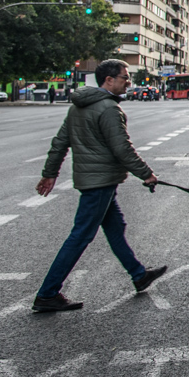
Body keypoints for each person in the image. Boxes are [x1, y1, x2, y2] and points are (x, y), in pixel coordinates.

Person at [31, 59, 164, 313]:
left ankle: (138, 275)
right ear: (108, 80)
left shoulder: (79, 107)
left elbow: (60, 142)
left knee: (116, 227)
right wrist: (146, 174)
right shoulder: (108, 109)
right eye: (125, 77)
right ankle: (47, 293)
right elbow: (122, 148)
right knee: (81, 236)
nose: (128, 82)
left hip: (94, 180)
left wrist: (50, 174)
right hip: (100, 181)